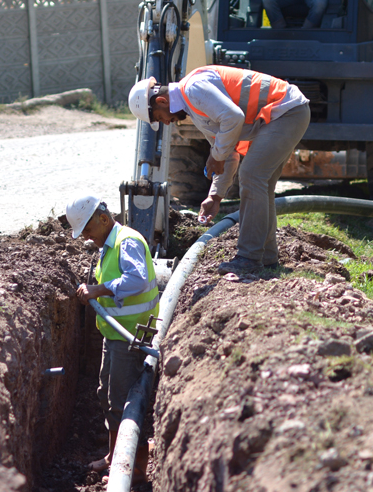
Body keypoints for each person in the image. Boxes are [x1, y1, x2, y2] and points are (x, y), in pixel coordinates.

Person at [128, 65, 310, 274]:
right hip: (282, 115)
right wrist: (215, 195)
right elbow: (228, 151)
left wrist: (216, 156)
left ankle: (249, 258)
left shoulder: (193, 88)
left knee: (251, 176)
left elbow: (233, 117)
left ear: (161, 101)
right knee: (262, 183)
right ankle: (267, 259)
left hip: (286, 110)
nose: (166, 123)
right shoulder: (195, 110)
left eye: (160, 118)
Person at [67, 194, 157, 482]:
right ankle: (114, 456)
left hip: (130, 337)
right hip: (115, 335)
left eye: (88, 231)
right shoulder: (108, 244)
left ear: (103, 219)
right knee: (107, 398)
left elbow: (137, 279)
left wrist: (98, 290)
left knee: (126, 403)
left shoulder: (126, 241)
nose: (87, 238)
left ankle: (137, 470)